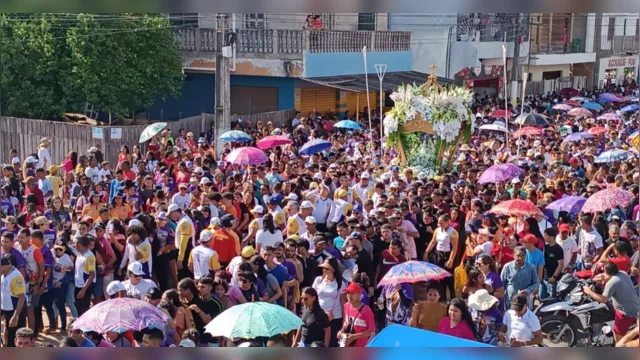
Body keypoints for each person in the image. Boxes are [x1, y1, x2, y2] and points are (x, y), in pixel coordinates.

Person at [582, 262, 640, 342]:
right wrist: (595, 279)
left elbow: (603, 299)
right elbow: (607, 277)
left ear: (606, 272)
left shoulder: (611, 283)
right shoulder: (623, 273)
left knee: (617, 335)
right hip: (636, 306)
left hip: (625, 313)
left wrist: (588, 291)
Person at [313, 257, 345, 347]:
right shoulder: (318, 280)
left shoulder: (340, 283)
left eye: (327, 268)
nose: (324, 270)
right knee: (318, 343)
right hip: (319, 316)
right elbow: (313, 297)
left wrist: (344, 320)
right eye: (323, 268)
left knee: (332, 343)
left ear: (333, 269)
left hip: (334, 317)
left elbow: (343, 302)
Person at [338, 282, 375, 347]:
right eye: (348, 293)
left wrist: (354, 337)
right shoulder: (346, 306)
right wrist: (341, 331)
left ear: (359, 294)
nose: (349, 296)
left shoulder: (366, 310)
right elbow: (346, 322)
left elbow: (371, 331)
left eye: (352, 293)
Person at [1, 254, 27, 347]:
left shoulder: (16, 277)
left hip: (15, 312)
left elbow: (21, 298)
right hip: (6, 310)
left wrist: (15, 317)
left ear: (4, 266)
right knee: (7, 338)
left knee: (15, 341)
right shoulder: (4, 274)